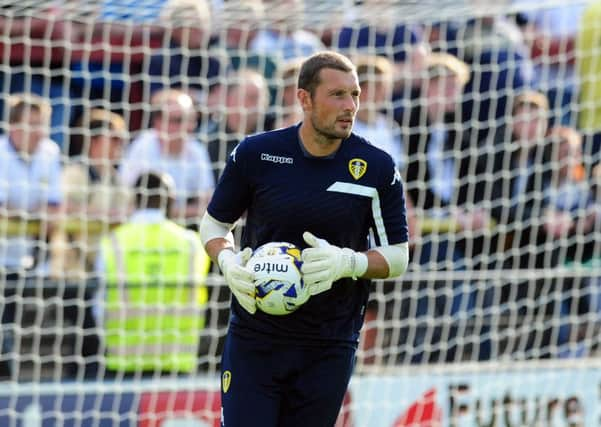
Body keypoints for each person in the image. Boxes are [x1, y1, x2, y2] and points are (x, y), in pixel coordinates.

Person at [199, 51, 409, 427]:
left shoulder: (376, 167)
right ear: (304, 99)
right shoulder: (256, 153)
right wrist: (228, 262)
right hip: (255, 340)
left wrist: (350, 262)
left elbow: (397, 255)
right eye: (338, 95)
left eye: (355, 95)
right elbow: (214, 225)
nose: (351, 106)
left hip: (328, 343)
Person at [96, 171, 210, 377]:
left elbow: (98, 306)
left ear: (135, 199)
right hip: (178, 362)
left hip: (124, 363)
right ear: (171, 202)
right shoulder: (192, 244)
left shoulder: (113, 242)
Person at [0, 93, 63, 378]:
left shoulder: (50, 152)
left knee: (16, 327)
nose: (40, 131)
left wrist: (22, 211)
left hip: (29, 258)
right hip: (3, 255)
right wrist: (33, 212)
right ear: (13, 126)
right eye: (33, 124)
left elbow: (55, 207)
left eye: (43, 124)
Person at [120, 88, 214, 227]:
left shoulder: (196, 150)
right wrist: (188, 211)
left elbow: (207, 203)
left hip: (181, 229)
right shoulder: (142, 148)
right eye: (178, 120)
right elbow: (126, 204)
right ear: (159, 122)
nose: (188, 127)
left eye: (192, 120)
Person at [205, 68, 271, 181]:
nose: (259, 105)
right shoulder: (207, 142)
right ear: (229, 99)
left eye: (263, 98)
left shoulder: (271, 139)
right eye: (252, 98)